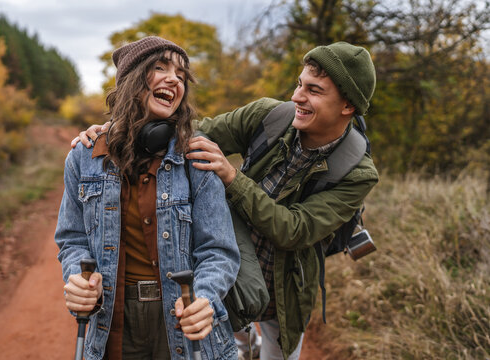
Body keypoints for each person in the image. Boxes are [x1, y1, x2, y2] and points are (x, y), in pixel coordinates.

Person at [73, 41, 379, 360]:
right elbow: (193, 133)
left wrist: (232, 178)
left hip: (285, 285)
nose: (297, 97)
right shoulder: (268, 115)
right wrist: (123, 128)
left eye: (314, 91)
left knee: (279, 352)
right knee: (230, 340)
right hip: (230, 264)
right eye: (299, 84)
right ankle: (247, 343)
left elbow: (295, 231)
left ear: (347, 106)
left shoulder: (359, 173)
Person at [56, 36, 240, 360]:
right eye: (160, 67)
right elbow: (72, 239)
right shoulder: (84, 157)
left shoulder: (197, 156)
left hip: (181, 321)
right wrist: (78, 279)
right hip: (113, 321)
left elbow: (218, 250)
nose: (174, 79)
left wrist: (205, 299)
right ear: (131, 80)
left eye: (181, 75)